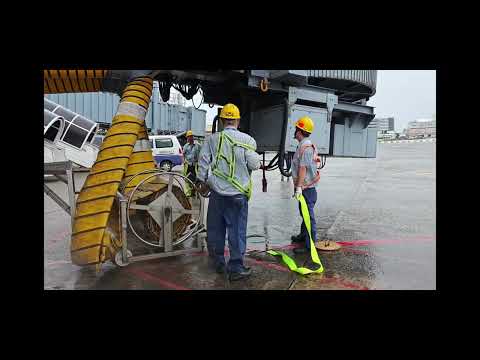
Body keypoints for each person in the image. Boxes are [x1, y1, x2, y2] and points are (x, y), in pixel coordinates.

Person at [197, 103, 260, 281]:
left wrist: (202, 183)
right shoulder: (247, 140)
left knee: (216, 230)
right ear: (238, 121)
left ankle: (218, 264)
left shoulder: (212, 139)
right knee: (237, 231)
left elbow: (203, 162)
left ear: (223, 120)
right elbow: (255, 164)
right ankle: (236, 268)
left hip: (217, 194)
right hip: (238, 196)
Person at [290, 116, 321, 254]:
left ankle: (310, 245)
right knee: (304, 213)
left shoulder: (306, 147)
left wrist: (298, 187)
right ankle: (303, 236)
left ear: (300, 131)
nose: (295, 131)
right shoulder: (303, 145)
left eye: (296, 129)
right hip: (305, 188)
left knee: (308, 216)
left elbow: (303, 168)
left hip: (307, 189)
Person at [182, 130, 201, 197]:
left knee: (196, 179)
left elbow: (201, 154)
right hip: (188, 165)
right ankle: (189, 192)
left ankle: (195, 191)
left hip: (195, 165)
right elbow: (183, 154)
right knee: (187, 178)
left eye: (190, 136)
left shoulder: (198, 145)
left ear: (193, 137)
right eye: (188, 137)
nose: (189, 138)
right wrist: (184, 161)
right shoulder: (186, 146)